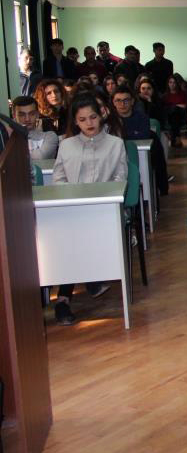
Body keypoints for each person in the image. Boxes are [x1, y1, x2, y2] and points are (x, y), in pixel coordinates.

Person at [51, 95, 128, 324]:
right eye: (82, 119)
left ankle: (65, 297)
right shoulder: (66, 145)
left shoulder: (116, 143)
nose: (89, 123)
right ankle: (83, 284)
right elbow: (58, 178)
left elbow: (120, 178)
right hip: (73, 209)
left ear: (102, 115)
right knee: (69, 234)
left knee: (82, 233)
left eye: (93, 117)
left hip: (105, 209)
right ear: (75, 122)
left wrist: (99, 199)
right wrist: (75, 198)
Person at [11, 96, 58, 160]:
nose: (27, 119)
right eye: (22, 115)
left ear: (37, 114)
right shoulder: (8, 138)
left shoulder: (50, 136)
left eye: (31, 114)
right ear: (14, 116)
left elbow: (40, 157)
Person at [163, 75, 187, 145]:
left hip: (182, 115)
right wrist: (177, 105)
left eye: (174, 82)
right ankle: (177, 138)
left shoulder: (182, 94)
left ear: (177, 84)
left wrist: (174, 106)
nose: (172, 84)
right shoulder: (165, 95)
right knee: (174, 114)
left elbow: (185, 106)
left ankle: (174, 138)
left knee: (175, 112)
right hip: (169, 117)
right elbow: (164, 108)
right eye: (170, 82)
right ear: (168, 84)